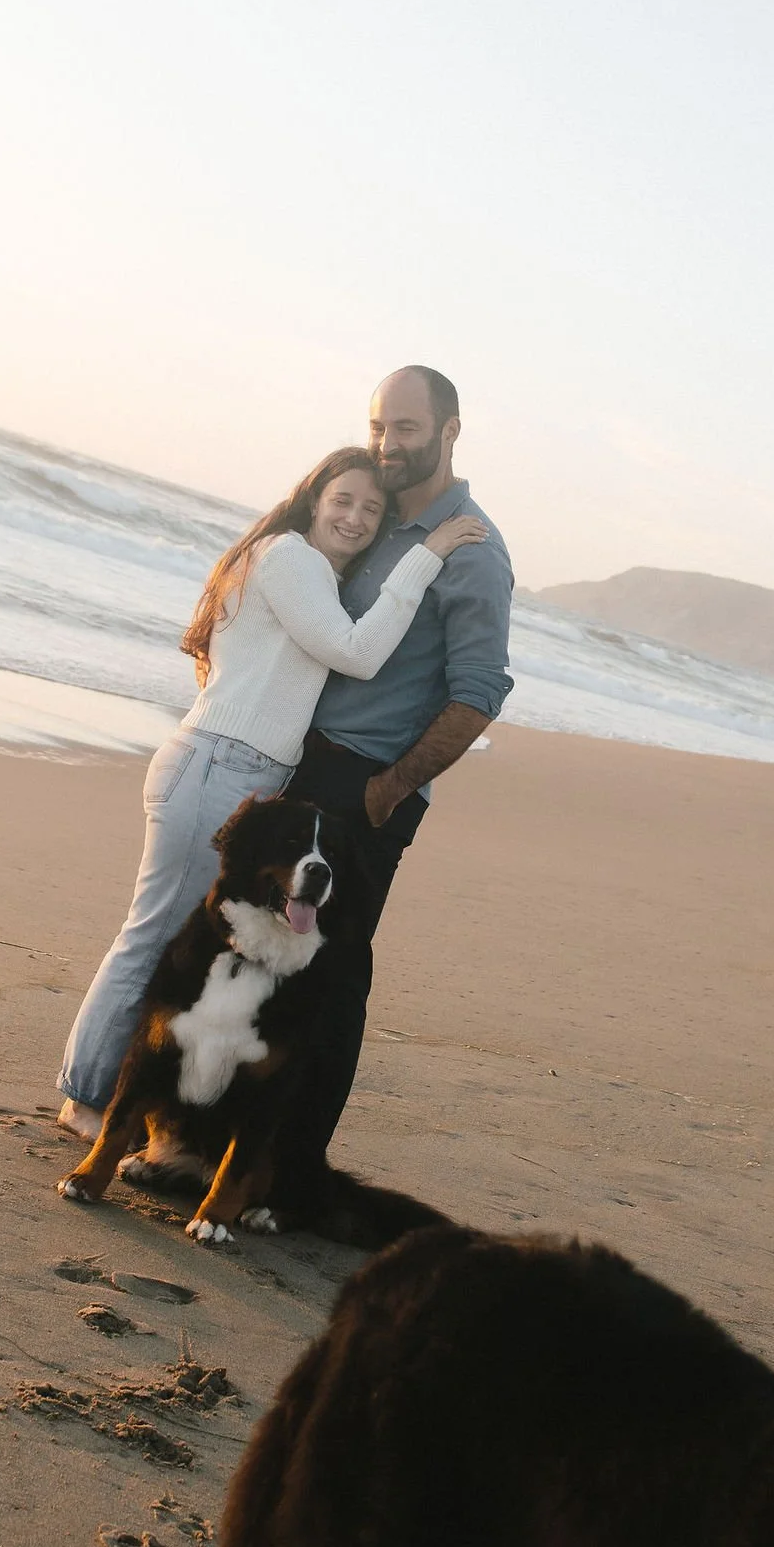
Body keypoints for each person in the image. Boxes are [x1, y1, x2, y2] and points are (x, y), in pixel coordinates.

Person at [57, 445, 486, 1130]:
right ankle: (85, 1097)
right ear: (314, 499)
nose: (355, 518)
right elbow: (358, 653)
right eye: (342, 500)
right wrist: (426, 555)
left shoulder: (309, 570)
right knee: (155, 938)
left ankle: (117, 1096)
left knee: (175, 941)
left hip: (234, 768)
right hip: (216, 766)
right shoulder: (290, 558)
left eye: (371, 509)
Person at [280, 366, 513, 1169]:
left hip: (368, 787)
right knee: (267, 959)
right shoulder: (373, 517)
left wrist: (389, 789)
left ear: (450, 431)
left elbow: (481, 692)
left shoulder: (475, 552)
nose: (386, 443)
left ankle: (292, 1172)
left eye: (405, 428)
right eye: (379, 426)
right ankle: (223, 1148)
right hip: (305, 765)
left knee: (332, 977)